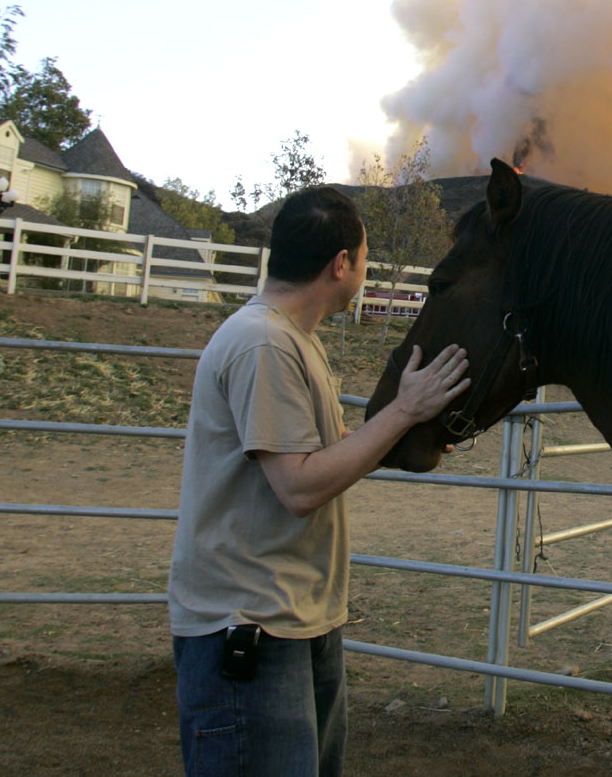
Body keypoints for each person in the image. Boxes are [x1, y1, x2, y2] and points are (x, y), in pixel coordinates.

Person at [167, 185, 468, 777]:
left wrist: (403, 436)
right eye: (363, 256)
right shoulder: (263, 344)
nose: (362, 267)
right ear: (341, 265)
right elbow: (299, 488)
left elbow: (318, 464)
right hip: (250, 629)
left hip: (295, 619)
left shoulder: (293, 340)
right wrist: (401, 412)